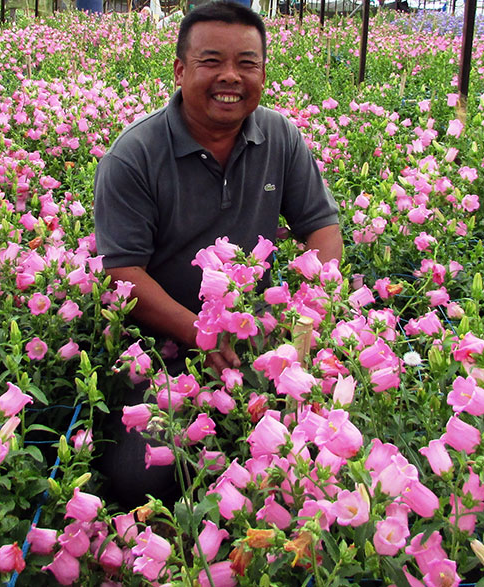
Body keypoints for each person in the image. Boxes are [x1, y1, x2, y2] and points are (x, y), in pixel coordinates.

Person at [92, 0, 343, 509]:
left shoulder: (281, 138)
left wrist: (308, 316)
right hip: (165, 348)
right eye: (212, 62)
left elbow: (321, 228)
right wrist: (200, 333)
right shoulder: (134, 154)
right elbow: (121, 272)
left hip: (262, 338)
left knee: (330, 453)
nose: (231, 77)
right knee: (135, 481)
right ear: (181, 70)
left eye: (247, 64)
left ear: (263, 73)